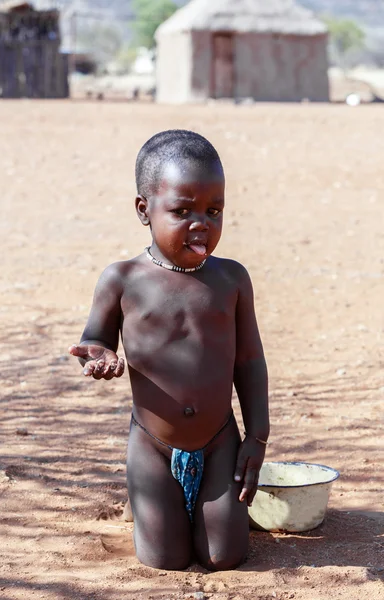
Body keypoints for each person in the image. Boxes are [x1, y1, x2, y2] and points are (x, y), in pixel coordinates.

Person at [69, 130, 269, 571]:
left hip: (220, 442)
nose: (201, 223)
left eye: (214, 211)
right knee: (165, 560)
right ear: (144, 210)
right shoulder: (122, 279)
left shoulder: (231, 280)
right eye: (182, 211)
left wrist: (257, 436)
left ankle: (204, 510)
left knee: (224, 556)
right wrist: (98, 356)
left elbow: (250, 361)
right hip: (152, 444)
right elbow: (95, 339)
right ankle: (150, 504)